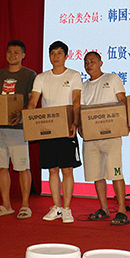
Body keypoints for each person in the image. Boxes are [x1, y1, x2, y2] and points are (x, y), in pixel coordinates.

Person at [27, 41, 82, 223]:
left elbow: (76, 100)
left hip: (66, 127)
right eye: (52, 53)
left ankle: (67, 209)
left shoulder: (73, 75)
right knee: (52, 170)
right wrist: (30, 123)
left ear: (66, 56)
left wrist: (75, 122)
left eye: (59, 53)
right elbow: (33, 101)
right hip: (47, 129)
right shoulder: (41, 78)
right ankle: (56, 207)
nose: (56, 56)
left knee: (67, 169)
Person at [0, 40, 36, 219]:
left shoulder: (29, 75)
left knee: (23, 167)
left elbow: (32, 101)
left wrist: (22, 115)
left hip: (18, 128)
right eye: (9, 52)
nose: (12, 55)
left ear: (23, 55)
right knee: (1, 166)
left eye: (16, 52)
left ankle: (25, 205)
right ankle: (6, 204)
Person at [81, 51, 129, 226]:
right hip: (91, 136)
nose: (89, 65)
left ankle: (122, 210)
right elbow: (81, 109)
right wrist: (80, 126)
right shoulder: (83, 86)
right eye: (86, 62)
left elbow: (123, 101)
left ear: (101, 63)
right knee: (97, 174)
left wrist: (127, 122)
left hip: (111, 134)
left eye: (92, 61)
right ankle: (104, 208)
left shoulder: (112, 78)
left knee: (116, 173)